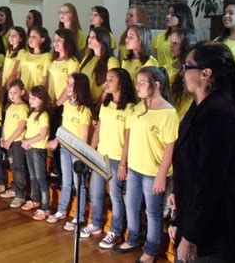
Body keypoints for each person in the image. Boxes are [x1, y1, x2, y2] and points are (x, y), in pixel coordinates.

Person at [168, 41, 235, 262]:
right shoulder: (200, 106)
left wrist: (191, 236)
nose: (183, 73)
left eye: (188, 66)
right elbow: (191, 166)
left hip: (214, 231)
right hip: (196, 218)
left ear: (206, 74)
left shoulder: (218, 114)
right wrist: (178, 202)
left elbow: (211, 181)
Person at [113, 66, 179, 263]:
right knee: (131, 205)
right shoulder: (138, 107)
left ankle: (151, 250)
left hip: (153, 172)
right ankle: (133, 239)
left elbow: (170, 147)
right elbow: (129, 136)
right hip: (134, 168)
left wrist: (161, 175)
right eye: (137, 82)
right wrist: (123, 163)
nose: (137, 86)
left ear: (156, 85)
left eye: (142, 82)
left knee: (153, 211)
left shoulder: (169, 113)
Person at [81, 68, 136, 249]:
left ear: (121, 83)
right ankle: (96, 224)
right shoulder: (106, 104)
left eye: (111, 79)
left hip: (116, 158)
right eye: (107, 79)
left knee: (115, 196)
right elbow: (98, 129)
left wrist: (123, 163)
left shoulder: (130, 108)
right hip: (101, 155)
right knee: (95, 192)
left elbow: (129, 138)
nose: (107, 82)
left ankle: (116, 230)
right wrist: (91, 150)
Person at [47, 73, 92, 231]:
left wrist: (81, 156)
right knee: (65, 181)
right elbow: (64, 127)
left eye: (72, 84)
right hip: (65, 148)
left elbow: (85, 136)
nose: (68, 87)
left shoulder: (85, 110)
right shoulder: (67, 104)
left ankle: (78, 218)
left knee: (78, 184)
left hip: (77, 152)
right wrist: (57, 141)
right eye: (68, 83)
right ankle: (61, 210)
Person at [47, 28, 80, 179]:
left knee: (59, 138)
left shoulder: (72, 62)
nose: (56, 43)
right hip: (51, 105)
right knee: (51, 136)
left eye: (59, 40)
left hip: (63, 106)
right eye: (55, 40)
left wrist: (57, 104)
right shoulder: (53, 61)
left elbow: (69, 87)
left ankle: (62, 173)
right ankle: (55, 169)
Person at [21, 85, 50, 221]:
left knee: (40, 178)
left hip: (38, 149)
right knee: (32, 176)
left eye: (34, 98)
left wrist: (29, 141)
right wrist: (25, 141)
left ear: (42, 99)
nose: (30, 100)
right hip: (30, 148)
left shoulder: (43, 115)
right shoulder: (32, 113)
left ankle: (45, 207)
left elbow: (43, 134)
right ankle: (35, 199)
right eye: (30, 98)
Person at [0, 79, 29, 208]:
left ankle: (20, 194)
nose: (11, 95)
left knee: (19, 167)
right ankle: (15, 188)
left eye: (15, 92)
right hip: (9, 142)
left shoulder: (23, 108)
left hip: (17, 142)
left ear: (22, 92)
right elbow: (6, 124)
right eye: (10, 92)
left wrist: (10, 140)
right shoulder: (11, 106)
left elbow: (20, 127)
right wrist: (3, 138)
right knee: (12, 165)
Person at [80, 27, 119, 107]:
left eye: (93, 37)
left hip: (99, 103)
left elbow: (111, 86)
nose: (89, 40)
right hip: (84, 102)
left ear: (102, 40)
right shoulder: (87, 58)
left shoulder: (111, 61)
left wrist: (99, 105)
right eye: (89, 37)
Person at [168, 29, 199, 120]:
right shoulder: (167, 68)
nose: (171, 45)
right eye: (171, 42)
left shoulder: (194, 71)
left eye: (175, 43)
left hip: (185, 115)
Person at [153, 3, 194, 68]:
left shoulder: (188, 38)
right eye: (168, 13)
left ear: (182, 17)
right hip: (161, 74)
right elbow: (155, 59)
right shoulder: (161, 36)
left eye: (173, 14)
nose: (168, 16)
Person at [19, 25, 52, 90]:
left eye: (34, 37)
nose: (30, 39)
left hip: (36, 94)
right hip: (23, 93)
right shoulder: (24, 54)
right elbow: (18, 74)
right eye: (30, 36)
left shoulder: (47, 56)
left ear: (42, 39)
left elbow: (45, 79)